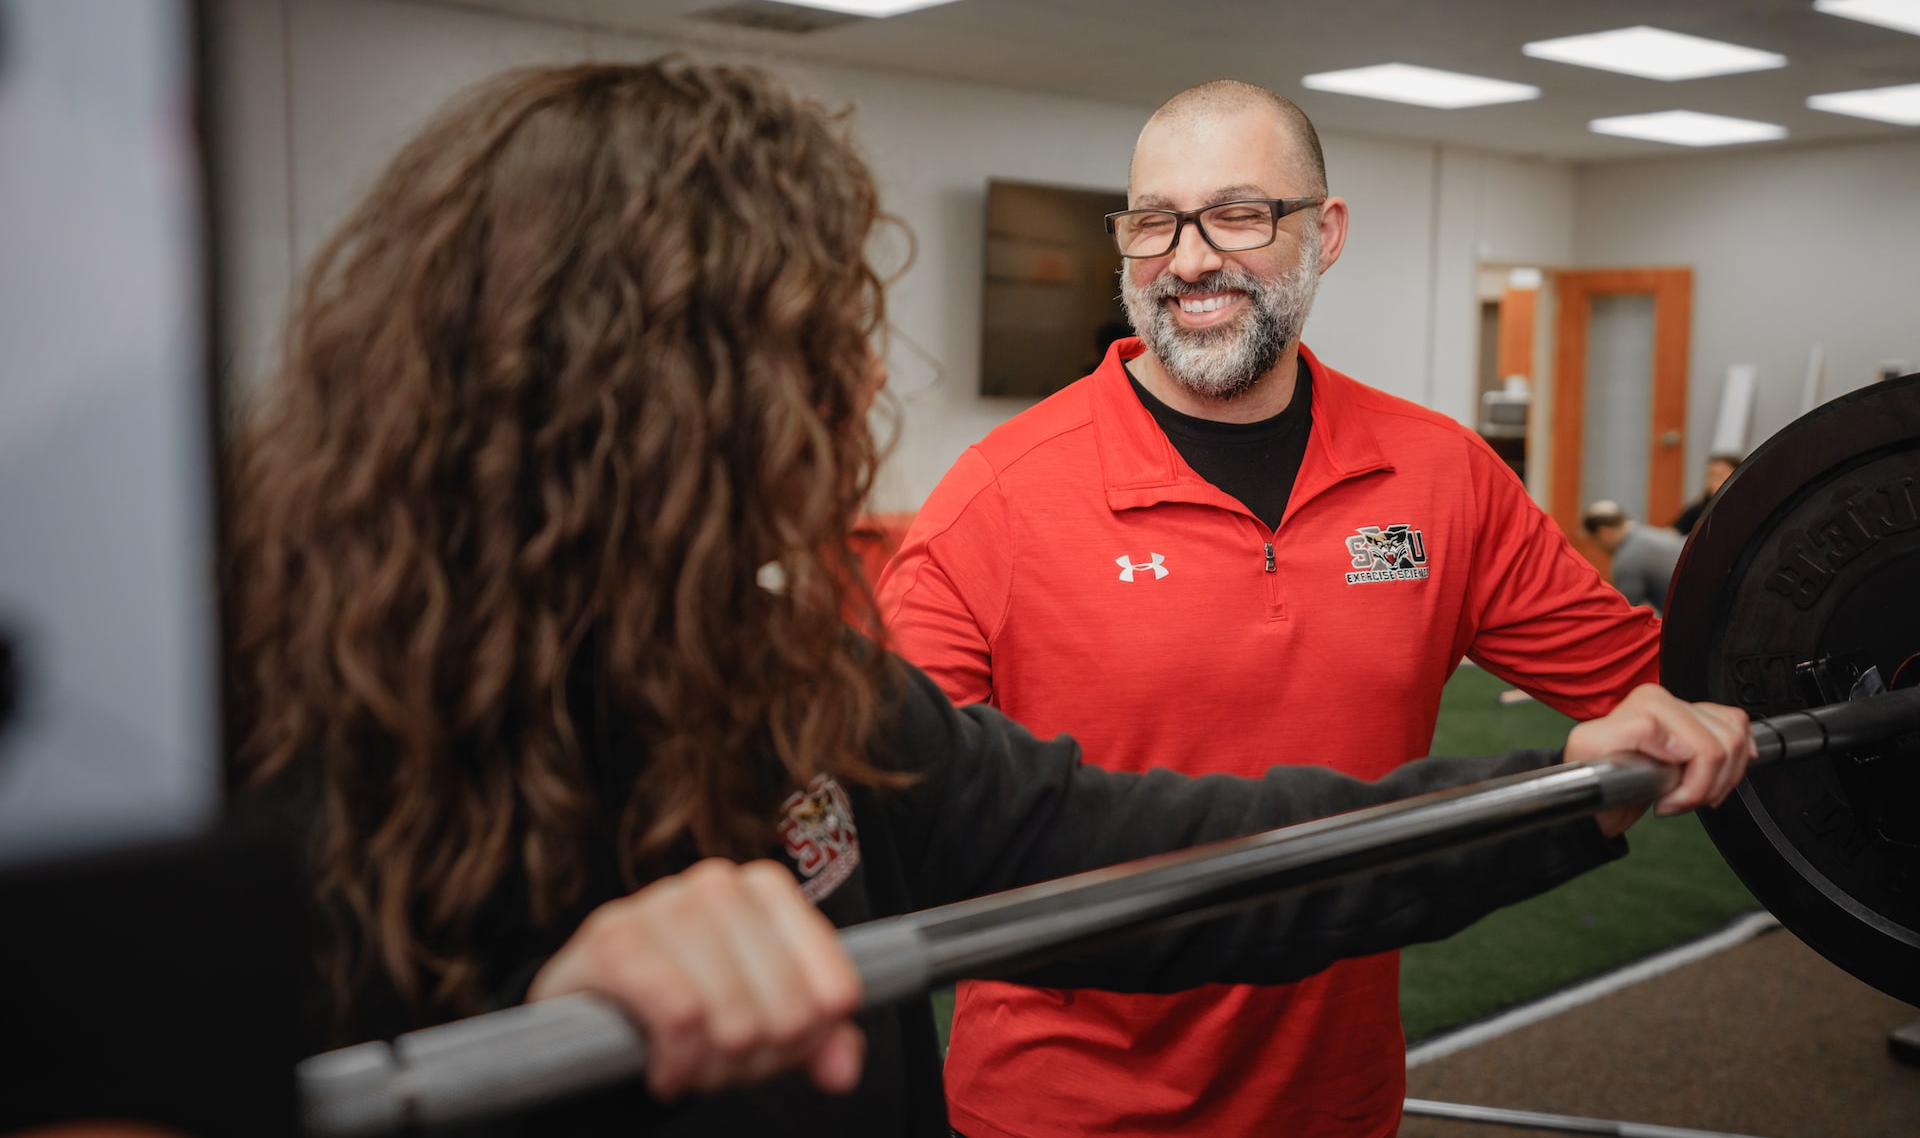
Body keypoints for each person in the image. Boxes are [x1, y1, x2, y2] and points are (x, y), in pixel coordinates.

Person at [226, 62, 1752, 1136]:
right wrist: (544, 1025)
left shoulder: (784, 678)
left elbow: (1170, 858)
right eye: (817, 340)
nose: (871, 379)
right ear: (639, 386)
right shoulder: (285, 746)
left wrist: (1565, 791)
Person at [878, 79, 1747, 1138]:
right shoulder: (994, 500)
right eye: (1154, 221)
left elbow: (1659, 683)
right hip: (1056, 1114)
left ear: (1324, 232)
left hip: (1339, 1106)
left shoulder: (1442, 478)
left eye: (1239, 212)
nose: (1189, 258)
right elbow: (905, 820)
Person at [1583, 499, 1687, 613]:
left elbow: (1624, 612)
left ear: (1604, 532)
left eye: (1595, 541)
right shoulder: (1649, 534)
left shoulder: (1627, 558)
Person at [1672, 449, 1742, 536]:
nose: (1713, 481)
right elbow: (1672, 534)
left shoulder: (1745, 509)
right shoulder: (1698, 509)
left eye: (1719, 476)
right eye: (1710, 476)